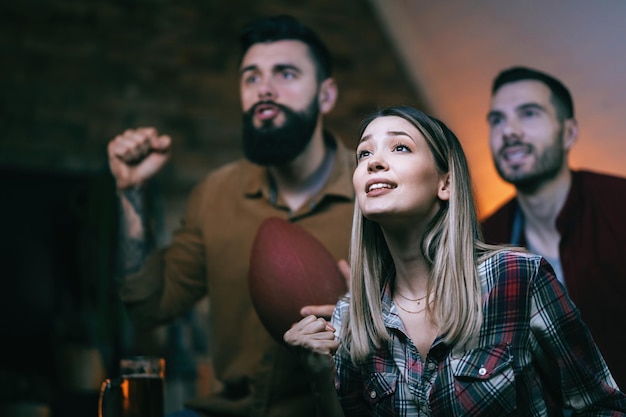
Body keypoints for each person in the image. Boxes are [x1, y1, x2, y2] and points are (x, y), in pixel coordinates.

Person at [284, 105, 626, 416]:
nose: (374, 161)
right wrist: (319, 378)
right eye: (364, 153)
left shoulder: (515, 278)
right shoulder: (351, 317)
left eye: (400, 147)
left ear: (445, 182)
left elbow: (601, 407)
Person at [106, 15, 354, 417]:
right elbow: (148, 307)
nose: (265, 90)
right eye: (251, 78)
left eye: (286, 74)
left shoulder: (375, 190)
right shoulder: (215, 192)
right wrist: (131, 191)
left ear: (326, 96)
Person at [481, 66, 626, 389]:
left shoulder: (619, 206)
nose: (509, 131)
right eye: (497, 120)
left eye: (529, 114)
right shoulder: (485, 239)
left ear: (569, 132)